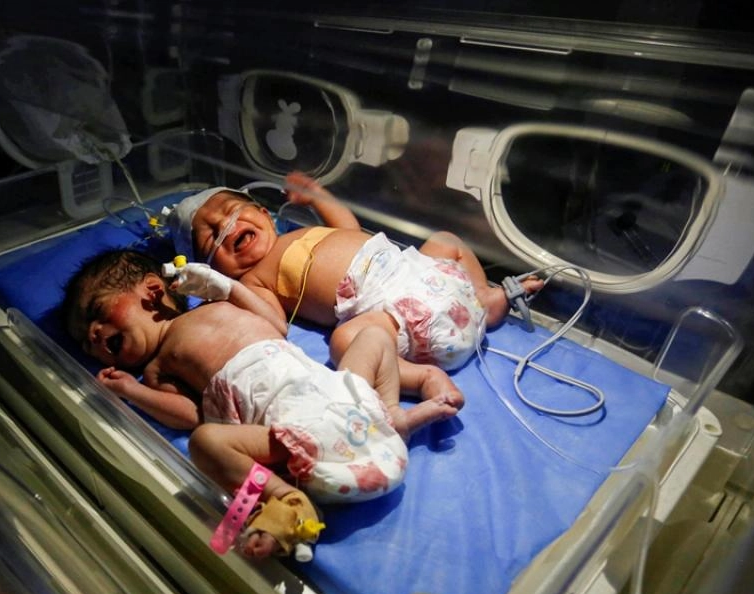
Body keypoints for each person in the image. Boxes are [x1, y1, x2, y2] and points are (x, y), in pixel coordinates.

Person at [62, 249, 445, 560]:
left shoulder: (215, 306)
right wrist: (134, 392)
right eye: (84, 343)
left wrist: (228, 287)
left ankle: (389, 413)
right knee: (205, 441)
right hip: (287, 429)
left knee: (373, 336)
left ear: (151, 291)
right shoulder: (158, 368)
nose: (92, 338)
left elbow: (277, 326)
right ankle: (286, 497)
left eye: (96, 314)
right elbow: (191, 416)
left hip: (336, 394)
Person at [168, 171, 545, 416]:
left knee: (447, 241)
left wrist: (316, 195)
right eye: (211, 236)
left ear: (265, 213)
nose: (227, 224)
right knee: (344, 342)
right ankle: (420, 377)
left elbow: (349, 227)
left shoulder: (299, 232)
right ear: (213, 266)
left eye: (233, 210)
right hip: (392, 315)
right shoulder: (254, 279)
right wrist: (227, 289)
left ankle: (484, 298)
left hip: (421, 273)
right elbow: (274, 323)